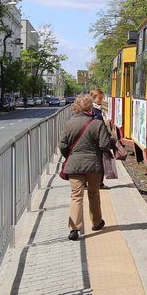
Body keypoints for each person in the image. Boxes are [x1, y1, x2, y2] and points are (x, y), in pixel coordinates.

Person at [58, 93, 116, 241]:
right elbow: (104, 145)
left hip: (74, 165)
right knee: (94, 194)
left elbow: (62, 145)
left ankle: (74, 229)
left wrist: (70, 157)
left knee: (76, 196)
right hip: (93, 165)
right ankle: (97, 223)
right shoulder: (97, 124)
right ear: (90, 107)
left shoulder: (68, 124)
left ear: (76, 107)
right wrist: (112, 139)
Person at [90, 87, 112, 189]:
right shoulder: (93, 110)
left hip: (99, 139)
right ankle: (98, 183)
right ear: (93, 98)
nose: (101, 100)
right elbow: (96, 124)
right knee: (99, 162)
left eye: (102, 98)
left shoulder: (97, 108)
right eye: (99, 98)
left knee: (100, 162)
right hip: (97, 140)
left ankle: (98, 182)